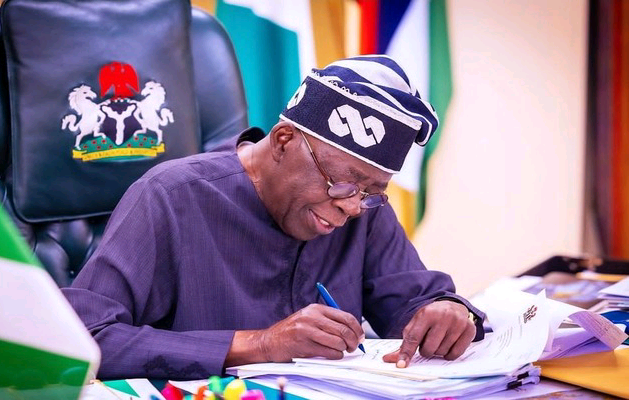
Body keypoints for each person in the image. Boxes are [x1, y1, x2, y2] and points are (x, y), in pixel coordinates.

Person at [63, 55, 485, 380]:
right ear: (283, 141)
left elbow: (413, 299)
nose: (353, 207)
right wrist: (261, 344)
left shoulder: (362, 207)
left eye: (372, 192)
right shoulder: (171, 196)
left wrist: (446, 311)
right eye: (343, 184)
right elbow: (82, 338)